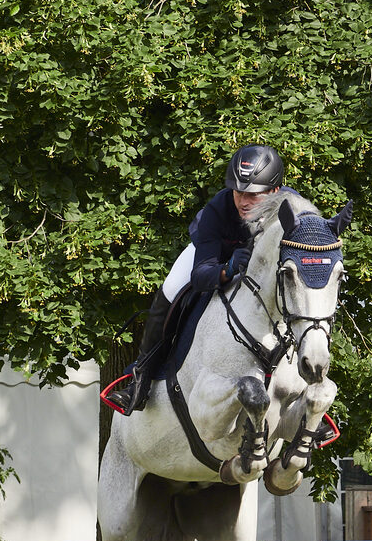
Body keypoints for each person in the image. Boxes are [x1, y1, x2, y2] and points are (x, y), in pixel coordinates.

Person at [108, 144, 297, 414]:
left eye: (253, 195)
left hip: (264, 266)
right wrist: (227, 269)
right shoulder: (218, 210)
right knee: (172, 287)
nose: (244, 201)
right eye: (238, 192)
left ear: (274, 191)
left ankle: (308, 393)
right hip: (216, 256)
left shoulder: (291, 208)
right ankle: (140, 379)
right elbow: (200, 275)